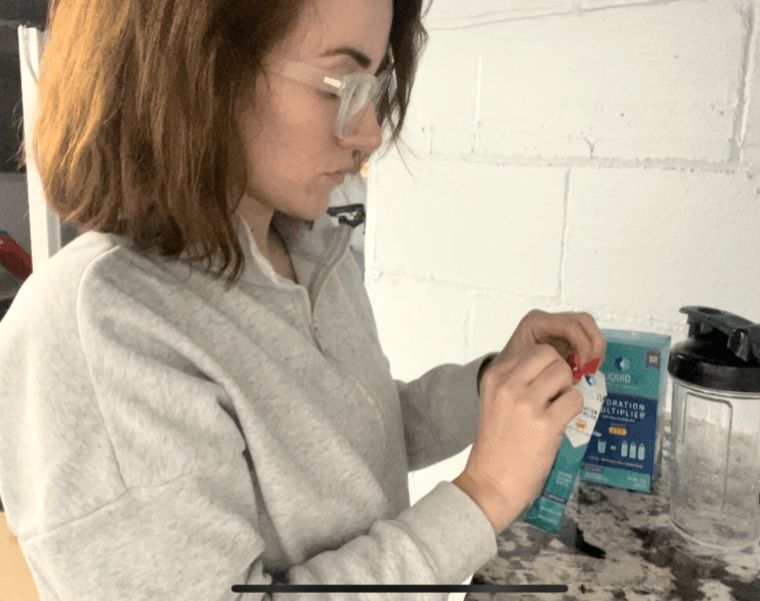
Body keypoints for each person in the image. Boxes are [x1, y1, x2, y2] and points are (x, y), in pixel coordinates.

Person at [0, 0, 606, 598]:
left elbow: (354, 442)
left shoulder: (308, 252)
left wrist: (493, 388)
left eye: (373, 87)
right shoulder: (99, 324)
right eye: (340, 83)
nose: (370, 133)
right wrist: (484, 497)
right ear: (197, 68)